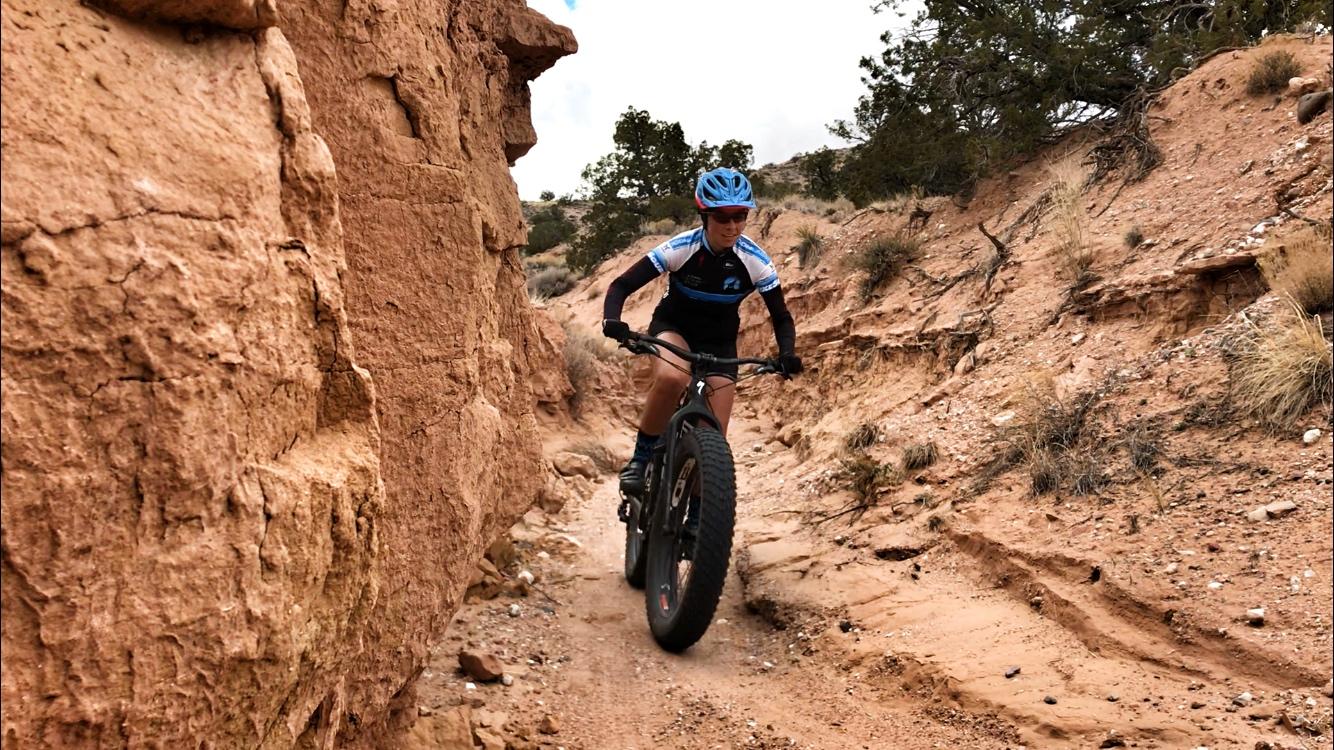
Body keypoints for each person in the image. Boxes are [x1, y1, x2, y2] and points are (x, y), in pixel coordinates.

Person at [601, 167, 802, 497]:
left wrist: (787, 353)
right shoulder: (681, 248)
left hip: (720, 341)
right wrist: (612, 320)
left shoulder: (755, 261)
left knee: (714, 438)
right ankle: (640, 459)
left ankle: (698, 514)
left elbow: (780, 316)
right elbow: (621, 284)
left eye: (740, 215)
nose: (733, 225)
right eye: (723, 217)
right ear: (704, 216)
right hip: (674, 328)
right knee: (671, 380)